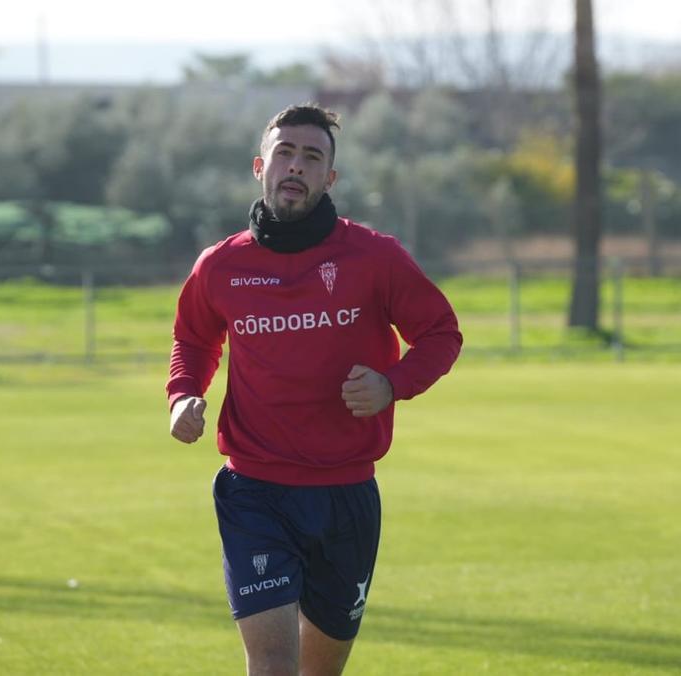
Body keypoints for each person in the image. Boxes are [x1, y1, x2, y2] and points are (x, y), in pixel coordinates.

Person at [166, 103, 462, 675]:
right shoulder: (220, 266)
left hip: (346, 495)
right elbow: (195, 338)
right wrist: (183, 395)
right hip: (254, 489)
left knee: (319, 671)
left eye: (311, 157)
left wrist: (393, 384)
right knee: (274, 664)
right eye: (284, 153)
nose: (295, 166)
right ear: (261, 166)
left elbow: (440, 333)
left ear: (331, 178)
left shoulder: (375, 257)